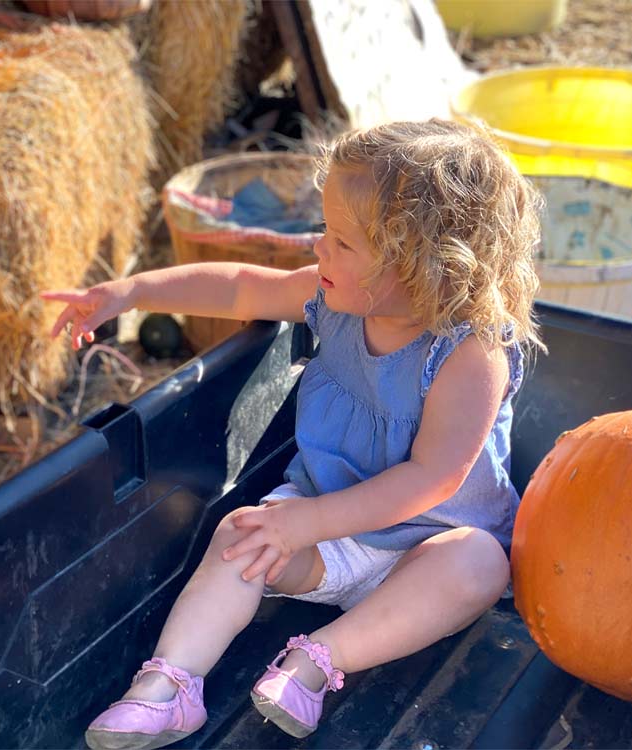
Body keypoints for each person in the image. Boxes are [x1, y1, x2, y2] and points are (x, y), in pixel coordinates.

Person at [40, 118, 544, 750]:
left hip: (432, 543)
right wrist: (131, 292)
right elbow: (242, 287)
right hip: (327, 538)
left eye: (342, 241)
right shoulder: (334, 299)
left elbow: (431, 478)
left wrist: (305, 523)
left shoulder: (470, 354)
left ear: (426, 267)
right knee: (239, 534)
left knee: (481, 566)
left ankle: (313, 664)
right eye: (325, 232)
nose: (318, 249)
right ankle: (170, 688)